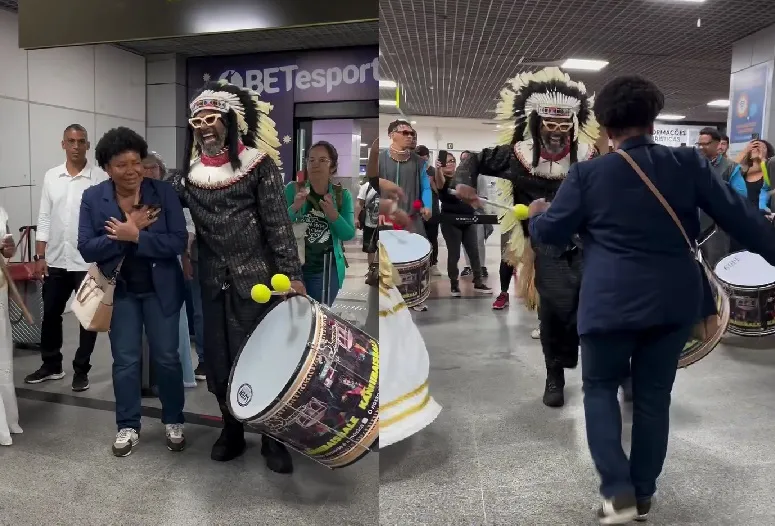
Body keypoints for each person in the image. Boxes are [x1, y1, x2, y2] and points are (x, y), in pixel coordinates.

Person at [527, 74, 775, 524]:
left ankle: (617, 490)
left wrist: (541, 215)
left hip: (607, 303)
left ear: (603, 125)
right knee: (653, 396)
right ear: (653, 118)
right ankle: (642, 494)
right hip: (673, 302)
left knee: (600, 389)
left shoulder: (587, 173)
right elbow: (746, 220)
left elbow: (550, 236)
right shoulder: (689, 165)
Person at [455, 67, 606, 408]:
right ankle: (556, 373)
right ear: (536, 123)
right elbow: (474, 160)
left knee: (593, 307)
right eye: (549, 124)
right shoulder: (515, 156)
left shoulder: (589, 157)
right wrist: (463, 181)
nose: (556, 132)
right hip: (543, 244)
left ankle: (604, 371)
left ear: (574, 124)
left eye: (563, 124)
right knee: (554, 309)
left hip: (586, 243)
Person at [175, 80, 303, 472]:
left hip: (259, 282)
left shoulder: (257, 166)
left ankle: (271, 436)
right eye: (198, 120)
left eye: (212, 118)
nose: (204, 126)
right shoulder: (189, 176)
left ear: (229, 122)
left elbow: (278, 226)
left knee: (263, 358)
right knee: (218, 359)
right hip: (212, 282)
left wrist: (291, 275)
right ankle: (230, 428)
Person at [79, 127, 188, 457]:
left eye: (136, 162)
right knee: (125, 361)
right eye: (122, 164)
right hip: (121, 291)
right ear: (107, 168)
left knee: (167, 358)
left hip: (161, 290)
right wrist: (125, 233)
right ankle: (128, 424)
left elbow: (177, 242)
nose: (132, 170)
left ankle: (174, 419)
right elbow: (86, 248)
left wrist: (138, 237)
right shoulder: (94, 198)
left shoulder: (163, 193)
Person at [25, 124, 106, 391]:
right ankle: (51, 365)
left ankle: (81, 369)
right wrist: (40, 255)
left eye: (81, 141)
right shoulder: (52, 176)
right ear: (63, 144)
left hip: (87, 261)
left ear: (88, 145)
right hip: (57, 258)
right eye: (71, 141)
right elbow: (44, 217)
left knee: (87, 318)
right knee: (50, 314)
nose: (75, 146)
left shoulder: (99, 177)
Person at [142, 152, 197, 388]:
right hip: (141, 270)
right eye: (143, 167)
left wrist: (185, 256)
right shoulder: (133, 196)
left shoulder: (171, 195)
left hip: (169, 264)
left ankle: (179, 376)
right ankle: (147, 378)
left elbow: (187, 228)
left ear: (161, 170)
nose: (148, 172)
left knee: (176, 322)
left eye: (153, 167)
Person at [285, 141, 355, 305]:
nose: (315, 164)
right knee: (294, 314)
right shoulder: (292, 189)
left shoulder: (342, 195)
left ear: (333, 166)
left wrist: (333, 214)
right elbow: (277, 226)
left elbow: (348, 233)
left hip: (326, 271)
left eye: (323, 160)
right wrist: (294, 208)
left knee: (319, 315)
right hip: (294, 269)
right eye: (311, 160)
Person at [379, 120, 432, 311]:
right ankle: (387, 298)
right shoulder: (379, 158)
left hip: (411, 217)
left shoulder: (419, 162)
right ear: (392, 134)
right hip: (385, 217)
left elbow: (426, 186)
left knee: (415, 257)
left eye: (412, 133)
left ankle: (415, 298)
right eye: (405, 132)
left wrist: (427, 205)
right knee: (387, 258)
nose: (410, 136)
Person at [435, 151, 491, 296]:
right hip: (450, 220)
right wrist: (438, 169)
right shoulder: (440, 178)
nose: (452, 162)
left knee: (474, 252)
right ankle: (454, 285)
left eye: (453, 160)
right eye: (448, 161)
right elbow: (440, 186)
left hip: (468, 217)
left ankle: (478, 282)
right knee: (454, 254)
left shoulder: (462, 177)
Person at [0, 218, 21, 446]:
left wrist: (7, 250)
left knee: (1, 354)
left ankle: (5, 418)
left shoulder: (1, 212)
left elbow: (7, 252)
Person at [355, 179, 379, 274]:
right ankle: (372, 271)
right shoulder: (367, 186)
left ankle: (382, 272)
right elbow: (359, 202)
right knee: (371, 249)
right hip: (370, 224)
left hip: (385, 224)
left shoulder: (387, 183)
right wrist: (356, 218)